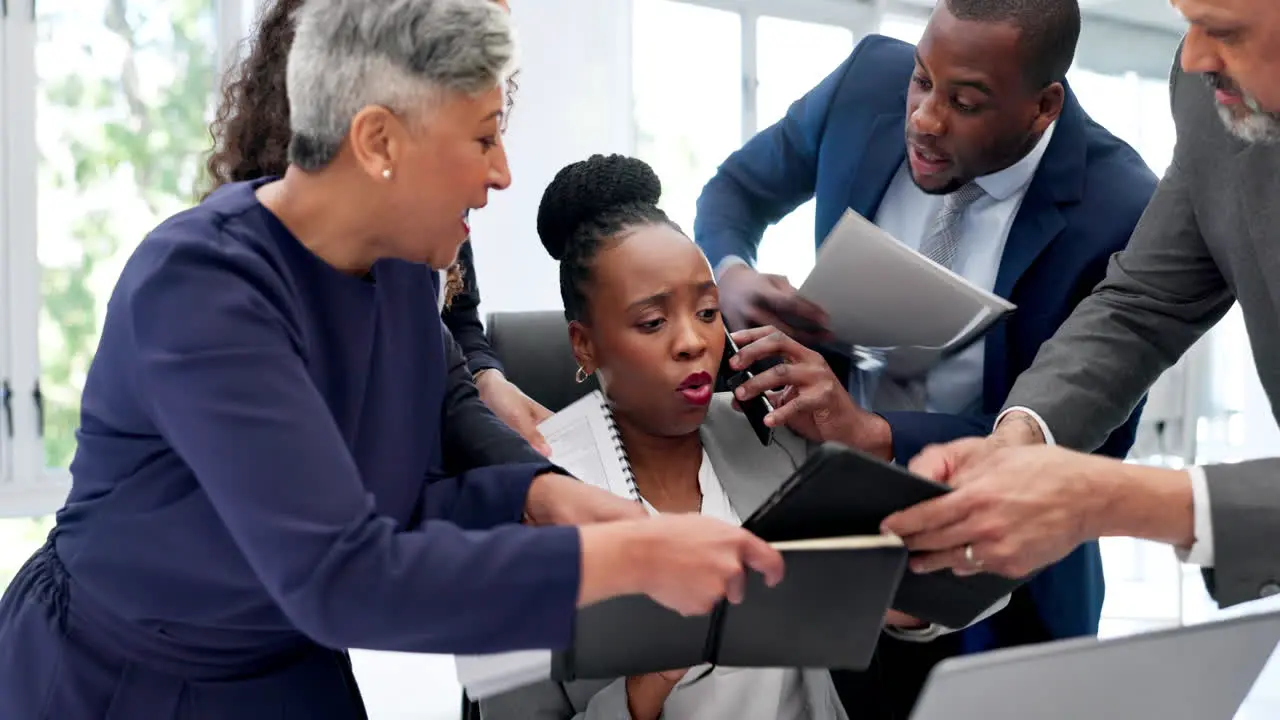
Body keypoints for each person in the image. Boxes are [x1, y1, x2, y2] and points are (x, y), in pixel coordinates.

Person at [0, 3, 788, 718]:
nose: (502, 173)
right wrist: (620, 557)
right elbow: (343, 575)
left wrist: (544, 499)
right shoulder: (200, 287)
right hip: (121, 676)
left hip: (285, 661)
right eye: (482, 137)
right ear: (379, 141)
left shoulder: (407, 274)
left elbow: (416, 472)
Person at [693, 0, 1157, 713]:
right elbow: (735, 190)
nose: (925, 118)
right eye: (921, 81)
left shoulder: (1122, 208)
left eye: (965, 101)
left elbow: (1090, 443)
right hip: (832, 538)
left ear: (1044, 105)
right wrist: (731, 273)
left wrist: (876, 435)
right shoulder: (865, 83)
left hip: (1008, 581)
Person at [480, 153, 1008, 720]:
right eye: (653, 322)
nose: (692, 342)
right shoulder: (530, 500)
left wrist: (892, 596)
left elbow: (981, 588)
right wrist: (646, 691)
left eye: (707, 312)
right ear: (583, 344)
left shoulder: (777, 436)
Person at [885, 0, 1280, 610]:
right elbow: (1144, 301)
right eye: (1189, 23)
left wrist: (1108, 499)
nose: (1194, 56)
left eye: (1225, 32)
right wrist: (1020, 436)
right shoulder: (1210, 96)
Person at [208, 0, 554, 455]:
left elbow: (450, 343)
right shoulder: (226, 280)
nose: (499, 176)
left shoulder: (409, 260)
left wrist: (489, 386)